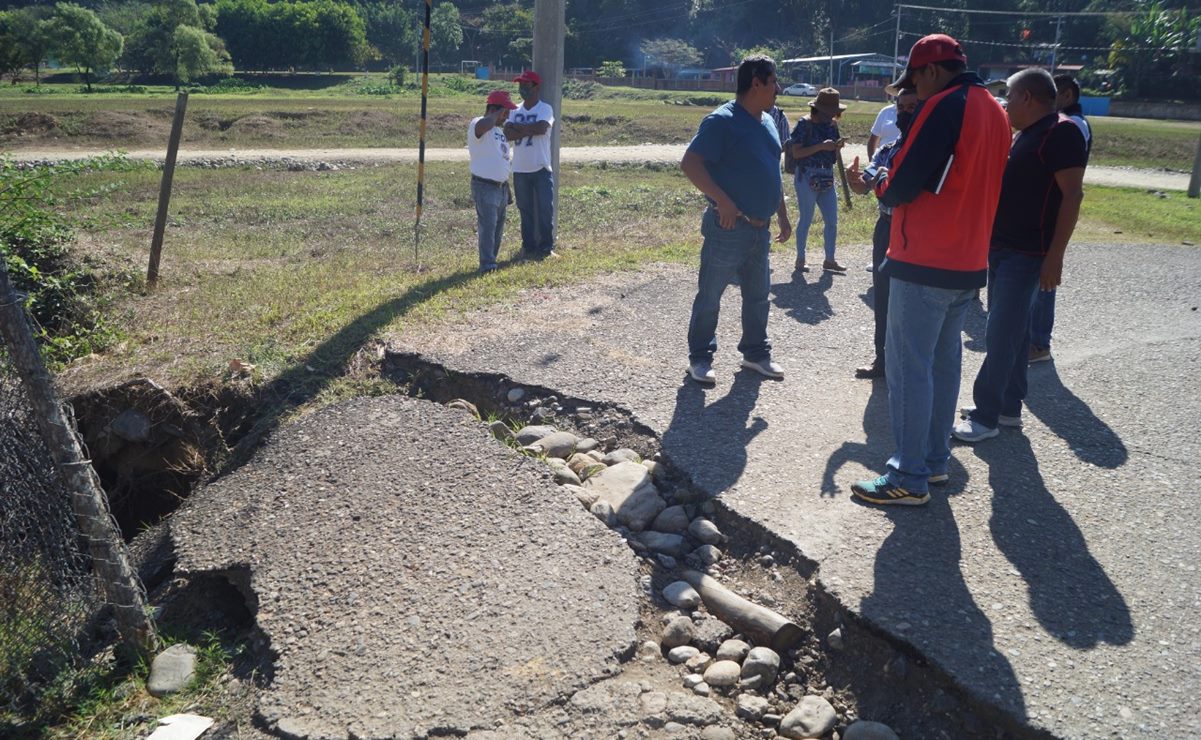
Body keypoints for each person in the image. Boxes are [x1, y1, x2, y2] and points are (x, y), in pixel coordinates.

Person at [849, 34, 1010, 506]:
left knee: (908, 370)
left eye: (915, 80)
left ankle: (908, 475)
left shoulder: (943, 105)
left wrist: (880, 179)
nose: (914, 90)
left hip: (924, 259)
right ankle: (935, 461)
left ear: (933, 71)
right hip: (967, 259)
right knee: (942, 366)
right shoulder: (995, 109)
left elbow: (902, 185)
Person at [952, 69, 1087, 444]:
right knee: (1014, 331)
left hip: (1028, 253)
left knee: (1000, 333)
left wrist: (1055, 256)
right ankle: (1008, 407)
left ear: (1028, 97)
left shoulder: (1061, 132)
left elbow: (1073, 195)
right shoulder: (1027, 134)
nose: (1005, 104)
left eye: (1009, 96)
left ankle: (985, 416)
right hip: (1004, 249)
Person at [681, 54, 792, 385]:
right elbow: (690, 163)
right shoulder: (722, 121)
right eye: (773, 81)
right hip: (728, 228)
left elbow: (772, 171)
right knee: (710, 296)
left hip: (760, 229)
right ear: (756, 83)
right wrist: (723, 201)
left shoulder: (769, 120)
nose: (778, 88)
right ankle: (700, 358)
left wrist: (782, 214)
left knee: (758, 296)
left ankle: (755, 354)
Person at [846, 86, 919, 380]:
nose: (905, 113)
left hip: (916, 232)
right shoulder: (887, 150)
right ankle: (882, 359)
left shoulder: (928, 151)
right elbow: (865, 184)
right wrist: (855, 181)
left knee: (913, 300)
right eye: (901, 107)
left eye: (912, 107)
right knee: (884, 296)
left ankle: (909, 365)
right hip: (886, 228)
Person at [1029, 74, 1093, 363]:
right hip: (1044, 209)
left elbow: (1071, 186)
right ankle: (1033, 339)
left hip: (1052, 212)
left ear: (1067, 96)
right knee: (1036, 279)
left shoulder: (1071, 125)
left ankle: (1039, 343)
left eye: (1053, 94)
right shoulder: (1063, 122)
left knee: (1045, 278)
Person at [789, 88, 847, 274]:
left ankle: (830, 259)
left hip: (827, 175)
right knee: (806, 219)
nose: (831, 116)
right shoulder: (804, 124)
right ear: (818, 110)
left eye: (833, 113)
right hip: (806, 175)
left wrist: (836, 147)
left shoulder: (832, 125)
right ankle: (800, 259)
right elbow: (796, 153)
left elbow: (833, 153)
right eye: (828, 113)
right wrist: (821, 146)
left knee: (832, 220)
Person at [504, 70, 557, 260]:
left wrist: (518, 128)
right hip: (520, 168)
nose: (522, 89)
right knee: (525, 211)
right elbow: (507, 134)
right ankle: (528, 247)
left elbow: (542, 128)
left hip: (541, 167)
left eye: (526, 85)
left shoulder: (545, 108)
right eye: (520, 85)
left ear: (536, 87)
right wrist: (528, 130)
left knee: (545, 209)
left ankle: (546, 248)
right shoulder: (514, 110)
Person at [467, 90, 518, 273]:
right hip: (485, 185)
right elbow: (483, 125)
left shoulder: (498, 131)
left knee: (497, 228)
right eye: (505, 112)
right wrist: (497, 113)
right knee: (488, 226)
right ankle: (487, 264)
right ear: (495, 110)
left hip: (500, 187)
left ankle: (492, 259)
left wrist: (506, 183)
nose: (507, 116)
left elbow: (502, 157)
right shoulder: (478, 123)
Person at [867, 94, 902, 158]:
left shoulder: (917, 112)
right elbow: (873, 140)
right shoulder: (886, 111)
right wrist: (872, 161)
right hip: (883, 160)